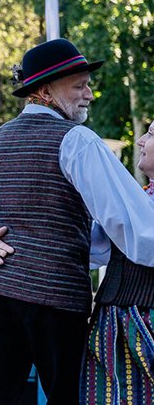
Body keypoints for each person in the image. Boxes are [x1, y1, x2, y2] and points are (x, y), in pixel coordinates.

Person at [0, 39, 154, 403]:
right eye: (79, 85)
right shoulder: (78, 142)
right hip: (56, 301)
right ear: (44, 90)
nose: (89, 93)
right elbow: (135, 228)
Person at [81, 121, 154, 403]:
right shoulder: (140, 197)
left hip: (141, 318)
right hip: (114, 316)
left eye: (150, 134)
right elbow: (95, 246)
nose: (140, 142)